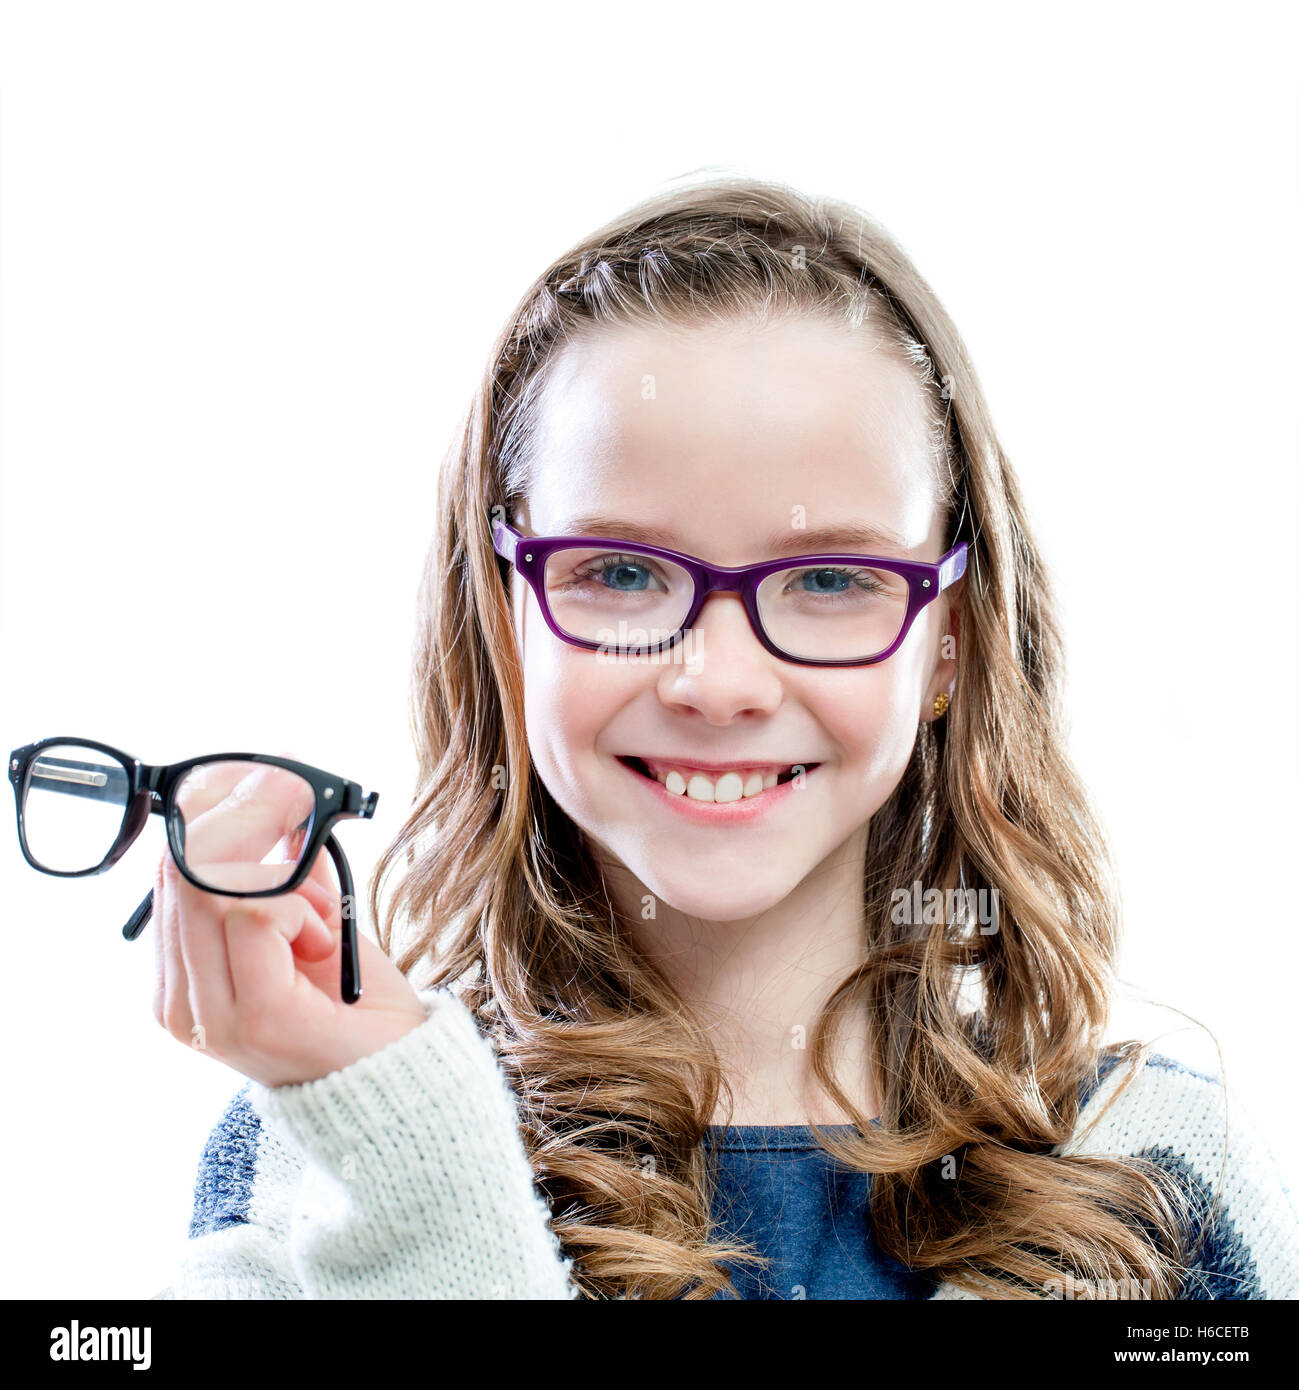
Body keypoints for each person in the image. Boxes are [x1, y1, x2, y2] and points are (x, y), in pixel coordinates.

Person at [155, 176, 1299, 1300]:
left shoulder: (1162, 1177)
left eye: (831, 578)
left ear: (946, 642)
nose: (718, 679)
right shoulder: (320, 1159)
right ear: (510, 626)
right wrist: (416, 1172)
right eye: (617, 571)